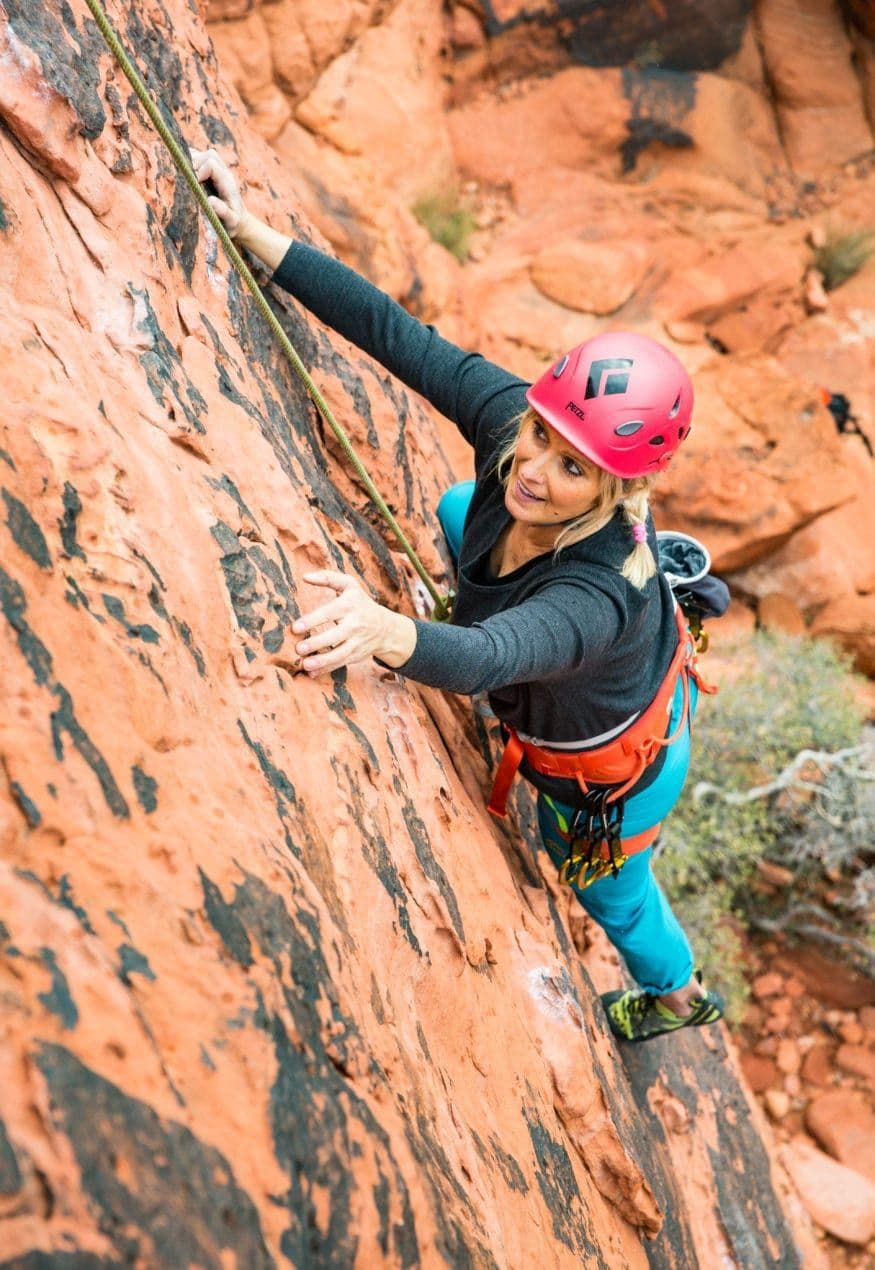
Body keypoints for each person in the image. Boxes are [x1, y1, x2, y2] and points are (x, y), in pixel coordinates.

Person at [191, 147, 725, 1043]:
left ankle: (675, 993)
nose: (534, 470)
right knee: (457, 506)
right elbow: (404, 340)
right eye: (542, 436)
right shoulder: (522, 427)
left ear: (617, 492)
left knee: (605, 887)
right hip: (592, 664)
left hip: (610, 769)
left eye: (572, 468)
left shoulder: (596, 596)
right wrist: (259, 239)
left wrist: (381, 630)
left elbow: (483, 660)